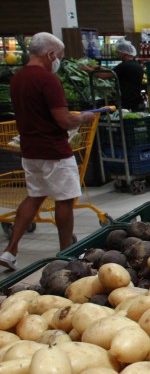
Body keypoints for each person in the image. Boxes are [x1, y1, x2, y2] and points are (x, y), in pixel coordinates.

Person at [1, 32, 96, 270]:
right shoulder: (47, 80)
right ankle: (66, 252)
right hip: (54, 150)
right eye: (59, 56)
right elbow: (63, 120)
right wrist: (83, 118)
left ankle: (10, 251)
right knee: (65, 200)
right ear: (50, 54)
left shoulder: (18, 78)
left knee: (34, 197)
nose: (58, 61)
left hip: (30, 149)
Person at [111, 39, 144, 111]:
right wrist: (99, 68)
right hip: (137, 100)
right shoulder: (136, 64)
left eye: (118, 52)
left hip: (127, 102)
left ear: (124, 53)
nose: (117, 54)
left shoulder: (124, 66)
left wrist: (88, 69)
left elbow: (105, 75)